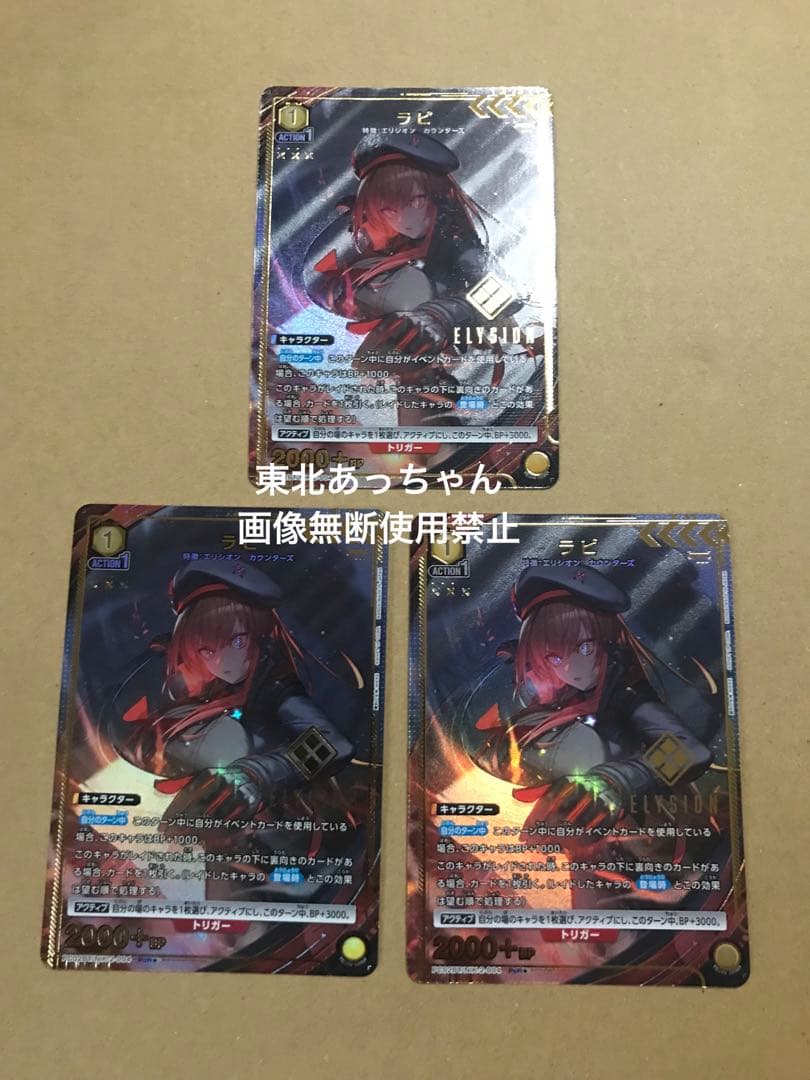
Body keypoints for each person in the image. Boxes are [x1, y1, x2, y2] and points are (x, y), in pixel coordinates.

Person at [109, 560, 354, 824]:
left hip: (243, 812)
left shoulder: (272, 683)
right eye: (208, 650)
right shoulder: (174, 669)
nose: (222, 661)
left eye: (237, 641)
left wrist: (258, 773)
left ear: (258, 633)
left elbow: (332, 743)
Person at [476, 563, 713, 830]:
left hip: (617, 826)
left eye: (584, 648)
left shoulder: (627, 696)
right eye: (555, 657)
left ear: (609, 640)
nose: (571, 668)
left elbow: (690, 750)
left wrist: (618, 780)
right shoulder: (558, 692)